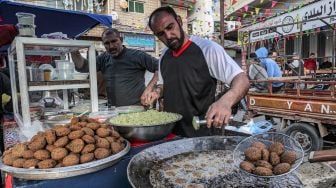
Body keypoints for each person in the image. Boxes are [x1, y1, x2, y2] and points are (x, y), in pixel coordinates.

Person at [144, 6, 250, 137]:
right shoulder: (164, 56)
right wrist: (157, 92)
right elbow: (166, 84)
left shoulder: (208, 49)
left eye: (170, 27)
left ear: (179, 21)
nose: (168, 36)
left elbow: (242, 79)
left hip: (201, 133)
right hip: (170, 133)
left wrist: (226, 101)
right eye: (160, 34)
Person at [71, 28, 158, 107]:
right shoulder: (103, 58)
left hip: (137, 109)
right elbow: (83, 67)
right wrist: (74, 52)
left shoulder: (137, 55)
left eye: (114, 41)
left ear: (121, 40)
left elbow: (160, 67)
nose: (111, 46)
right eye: (107, 43)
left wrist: (149, 88)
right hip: (113, 110)